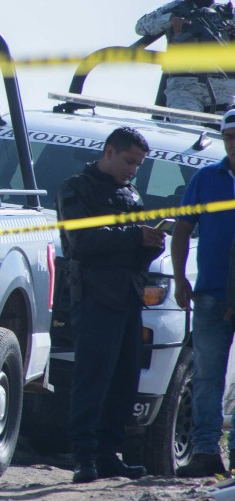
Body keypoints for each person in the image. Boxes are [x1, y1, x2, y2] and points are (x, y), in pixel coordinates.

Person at [57, 127, 166, 483]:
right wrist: (135, 235)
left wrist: (151, 243)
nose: (133, 169)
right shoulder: (77, 188)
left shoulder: (130, 194)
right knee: (92, 379)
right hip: (94, 297)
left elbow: (130, 249)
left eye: (138, 164)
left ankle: (108, 454)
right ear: (109, 152)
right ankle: (84, 458)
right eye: (129, 160)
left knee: (122, 381)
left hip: (127, 296)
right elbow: (83, 239)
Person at [170, 108, 235, 477]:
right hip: (209, 295)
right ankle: (206, 452)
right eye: (229, 137)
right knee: (208, 375)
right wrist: (181, 279)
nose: (234, 144)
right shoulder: (206, 178)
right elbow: (182, 230)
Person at [136, 0, 235, 115]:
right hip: (184, 85)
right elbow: (141, 27)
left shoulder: (229, 12)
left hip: (224, 87)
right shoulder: (177, 7)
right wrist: (170, 19)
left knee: (228, 128)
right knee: (185, 126)